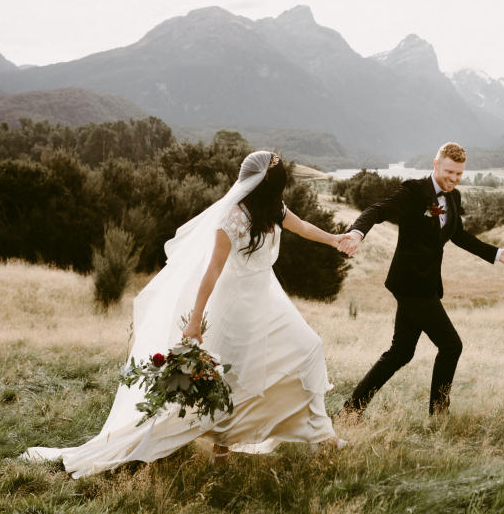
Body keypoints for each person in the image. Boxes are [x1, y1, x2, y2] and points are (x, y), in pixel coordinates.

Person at [24, 150, 353, 477]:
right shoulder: (233, 218)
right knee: (233, 380)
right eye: (278, 167)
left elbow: (304, 227)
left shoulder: (273, 208)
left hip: (268, 301)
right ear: (266, 178)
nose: (284, 170)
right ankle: (220, 447)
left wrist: (334, 239)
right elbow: (211, 272)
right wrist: (195, 322)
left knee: (309, 348)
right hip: (235, 308)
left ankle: (321, 435)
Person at [337, 142, 504, 418]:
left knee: (401, 352)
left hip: (426, 285)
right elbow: (378, 210)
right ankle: (439, 415)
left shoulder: (454, 198)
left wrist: (497, 254)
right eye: (449, 172)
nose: (453, 179)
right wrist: (357, 233)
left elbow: (458, 235)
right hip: (410, 285)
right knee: (451, 345)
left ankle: (350, 411)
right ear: (436, 165)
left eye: (458, 175)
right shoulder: (414, 191)